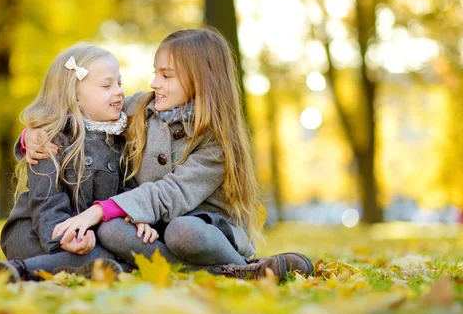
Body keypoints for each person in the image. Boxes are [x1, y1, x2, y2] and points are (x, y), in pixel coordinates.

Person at [24, 29, 314, 281]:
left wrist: (100, 209)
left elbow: (170, 193)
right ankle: (219, 272)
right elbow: (84, 115)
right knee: (111, 231)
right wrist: (33, 135)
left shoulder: (215, 143)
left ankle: (239, 266)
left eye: (166, 75)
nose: (154, 83)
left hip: (204, 229)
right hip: (152, 229)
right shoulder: (138, 109)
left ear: (201, 81)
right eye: (154, 73)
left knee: (183, 231)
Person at [0, 44, 144, 281]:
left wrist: (138, 215)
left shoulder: (125, 138)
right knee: (100, 257)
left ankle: (24, 271)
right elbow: (45, 200)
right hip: (39, 230)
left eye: (119, 83)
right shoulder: (48, 140)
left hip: (92, 236)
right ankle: (24, 268)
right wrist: (62, 238)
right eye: (106, 85)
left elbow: (129, 188)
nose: (119, 92)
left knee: (110, 250)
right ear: (75, 96)